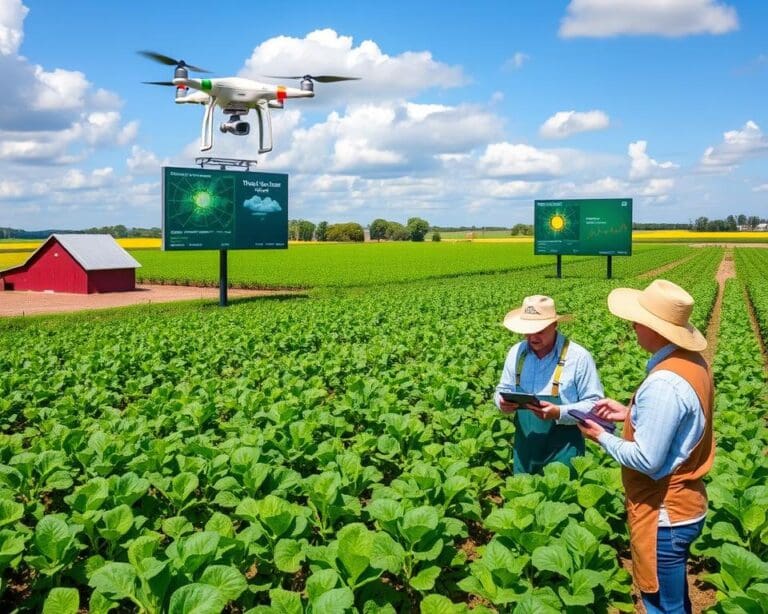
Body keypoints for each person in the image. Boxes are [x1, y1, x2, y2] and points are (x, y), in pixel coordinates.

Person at [577, 279, 714, 614]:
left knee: (660, 605)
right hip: (684, 506)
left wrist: (601, 436)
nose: (633, 326)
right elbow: (681, 422)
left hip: (664, 513)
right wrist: (629, 414)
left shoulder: (664, 382)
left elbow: (647, 460)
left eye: (638, 321)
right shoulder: (693, 363)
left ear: (656, 329)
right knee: (673, 600)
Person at [495, 294, 603, 475]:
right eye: (528, 331)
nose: (533, 337)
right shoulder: (516, 353)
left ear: (554, 325)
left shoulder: (578, 357)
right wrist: (501, 403)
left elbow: (594, 405)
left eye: (539, 330)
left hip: (564, 451)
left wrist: (559, 412)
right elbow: (502, 389)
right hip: (524, 451)